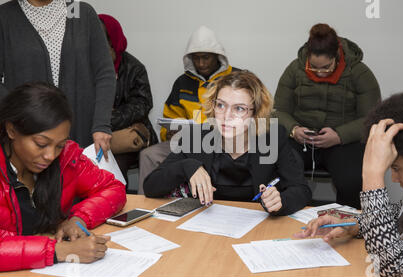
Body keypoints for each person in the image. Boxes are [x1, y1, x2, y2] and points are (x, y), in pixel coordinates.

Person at [294, 91, 403, 277]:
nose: (393, 178)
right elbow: (399, 220)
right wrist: (354, 224)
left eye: (397, 168)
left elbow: (394, 270)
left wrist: (372, 175)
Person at [143, 70, 311, 215]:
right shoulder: (196, 137)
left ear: (256, 113)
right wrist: (186, 166)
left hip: (257, 228)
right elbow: (151, 187)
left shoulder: (272, 137)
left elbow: (301, 190)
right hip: (206, 228)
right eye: (221, 105)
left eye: (239, 108)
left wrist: (281, 201)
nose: (227, 116)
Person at [0, 83, 126, 272]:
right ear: (11, 131)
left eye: (59, 145)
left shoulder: (67, 158)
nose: (50, 155)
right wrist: (61, 251)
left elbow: (113, 188)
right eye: (41, 144)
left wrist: (78, 219)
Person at [273, 23, 381, 209]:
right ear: (307, 57)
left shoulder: (359, 73)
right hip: (302, 141)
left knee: (352, 181)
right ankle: (289, 216)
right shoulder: (294, 69)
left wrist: (340, 135)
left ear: (337, 57)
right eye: (314, 68)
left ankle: (348, 224)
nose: (320, 72)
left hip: (343, 143)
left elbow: (372, 119)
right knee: (278, 170)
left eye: (326, 67)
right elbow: (278, 112)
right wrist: (294, 130)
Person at [0, 0, 115, 160]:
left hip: (81, 130)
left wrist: (101, 125)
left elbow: (105, 74)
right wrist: (20, 115)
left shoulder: (82, 13)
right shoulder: (5, 16)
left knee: (76, 183)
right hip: (29, 136)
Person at [138, 25, 239, 194]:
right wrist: (168, 133)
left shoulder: (236, 78)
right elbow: (170, 117)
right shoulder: (182, 83)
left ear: (217, 56)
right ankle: (145, 208)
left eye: (205, 57)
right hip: (185, 142)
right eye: (196, 58)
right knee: (148, 154)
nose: (201, 63)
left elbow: (250, 115)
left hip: (221, 142)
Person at [98, 14, 158, 183]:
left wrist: (106, 118)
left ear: (113, 40)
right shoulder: (86, 65)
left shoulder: (134, 68)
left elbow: (142, 104)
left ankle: (119, 205)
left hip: (128, 135)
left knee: (113, 163)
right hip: (96, 132)